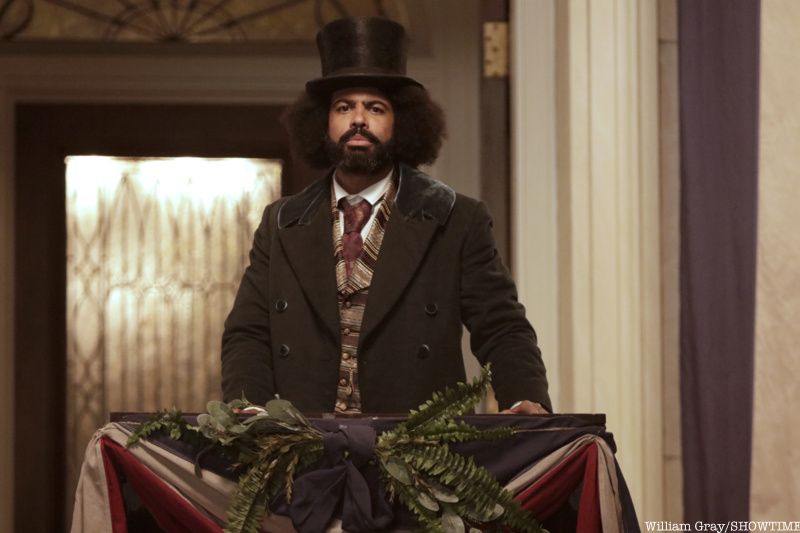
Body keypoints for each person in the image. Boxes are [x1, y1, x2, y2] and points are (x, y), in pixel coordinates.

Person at [221, 17, 550, 415]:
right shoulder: (280, 223)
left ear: (402, 123)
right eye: (344, 107)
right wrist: (249, 408)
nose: (358, 119)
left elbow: (501, 327)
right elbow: (248, 333)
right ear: (323, 122)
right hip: (303, 449)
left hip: (422, 452)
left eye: (375, 108)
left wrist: (523, 398)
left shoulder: (457, 219)